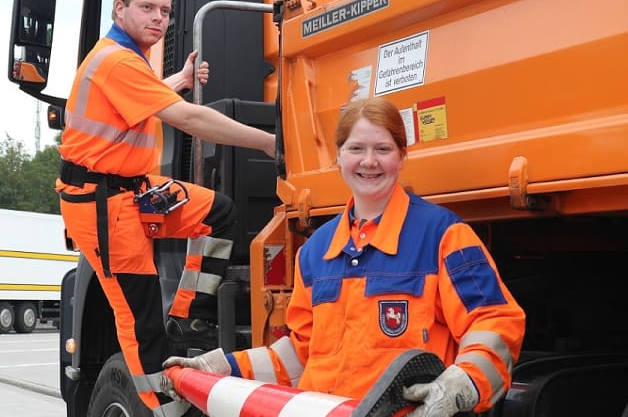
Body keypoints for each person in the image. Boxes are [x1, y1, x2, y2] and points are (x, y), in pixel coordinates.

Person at [161, 97, 526, 417]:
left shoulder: (442, 236)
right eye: (356, 149)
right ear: (338, 157)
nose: (369, 162)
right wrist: (221, 368)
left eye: (383, 149)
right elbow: (301, 354)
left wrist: (460, 385)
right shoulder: (316, 252)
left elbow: (495, 321)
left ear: (402, 156)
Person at [55, 0, 275, 415]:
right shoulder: (117, 62)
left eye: (166, 11)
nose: (159, 18)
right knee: (140, 323)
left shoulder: (125, 60)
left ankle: (187, 320)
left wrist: (180, 78)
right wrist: (268, 142)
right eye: (148, 8)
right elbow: (191, 119)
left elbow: (142, 102)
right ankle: (162, 406)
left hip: (133, 190)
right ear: (120, 11)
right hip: (103, 205)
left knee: (219, 213)